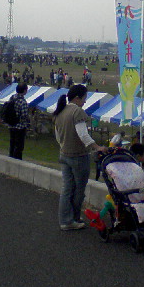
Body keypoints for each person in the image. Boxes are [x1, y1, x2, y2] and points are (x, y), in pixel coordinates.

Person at [53, 84, 104, 231]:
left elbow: (58, 137)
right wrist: (97, 147)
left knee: (67, 189)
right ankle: (74, 218)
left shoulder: (60, 111)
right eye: (84, 98)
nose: (85, 101)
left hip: (64, 154)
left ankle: (65, 220)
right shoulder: (77, 112)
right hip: (78, 156)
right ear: (77, 98)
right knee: (79, 190)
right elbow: (83, 135)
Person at [7, 83, 30, 160]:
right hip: (20, 127)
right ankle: (17, 160)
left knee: (12, 144)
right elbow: (24, 115)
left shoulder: (12, 98)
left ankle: (10, 158)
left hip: (11, 125)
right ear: (24, 91)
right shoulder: (22, 102)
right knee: (19, 146)